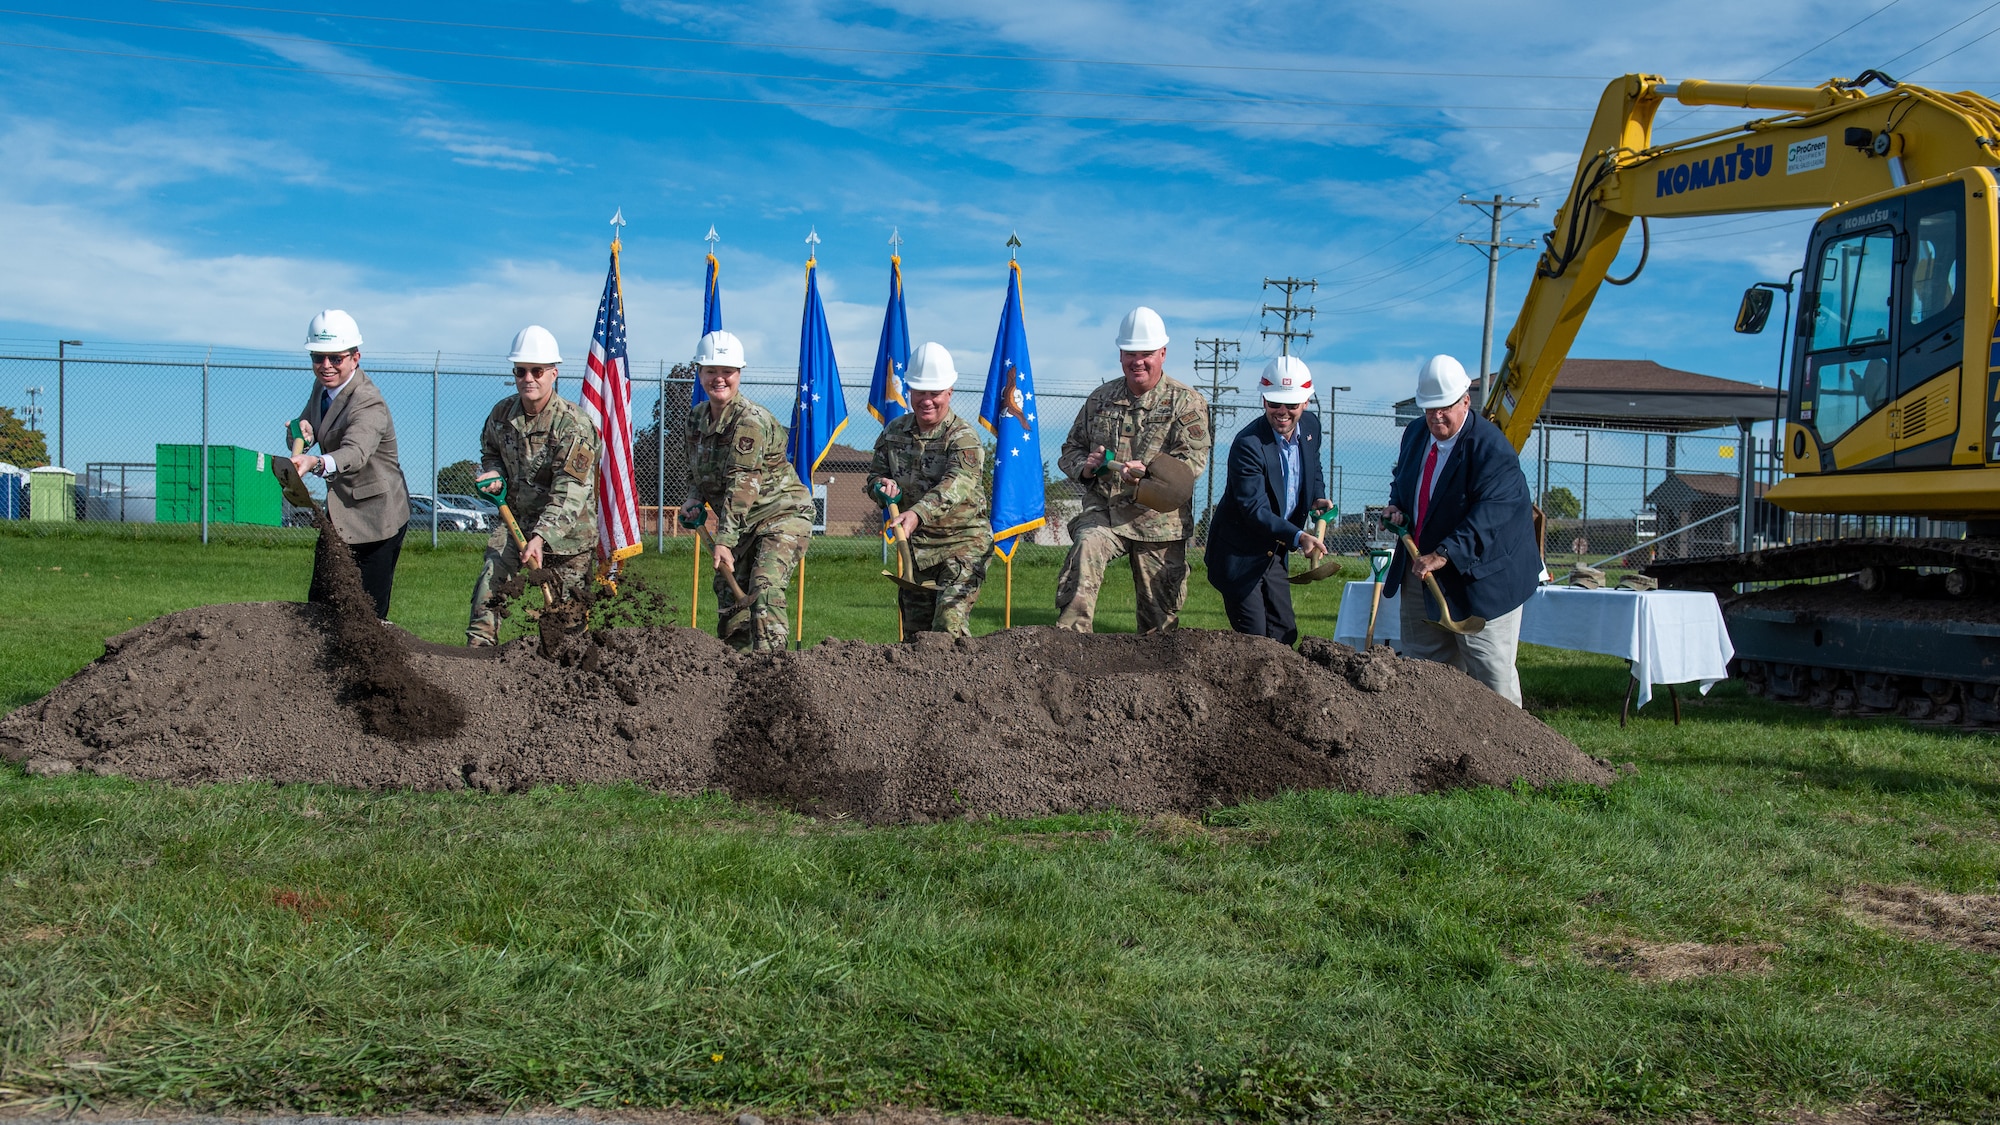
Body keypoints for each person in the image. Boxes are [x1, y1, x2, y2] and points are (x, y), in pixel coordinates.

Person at [1382, 354, 1540, 706]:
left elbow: (1492, 514)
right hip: (1421, 571)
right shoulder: (1415, 434)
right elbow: (1404, 480)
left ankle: (1509, 751)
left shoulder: (1492, 448)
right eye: (1428, 408)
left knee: (1491, 675)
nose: (1436, 416)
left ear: (1466, 401)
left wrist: (1444, 554)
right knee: (1422, 669)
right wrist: (1397, 506)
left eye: (1445, 407)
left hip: (1483, 578)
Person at [1054, 306, 1211, 633]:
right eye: (1129, 353)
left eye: (1146, 354)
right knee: (1086, 545)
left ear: (1163, 354)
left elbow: (1192, 463)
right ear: (1120, 355)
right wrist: (1087, 466)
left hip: (1159, 522)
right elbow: (1070, 450)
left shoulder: (1186, 402)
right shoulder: (1101, 399)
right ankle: (1069, 644)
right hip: (1106, 512)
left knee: (1159, 625)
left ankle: (1157, 674)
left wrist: (1150, 472)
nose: (1137, 361)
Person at [676, 330, 814, 653]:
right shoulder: (695, 419)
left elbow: (742, 484)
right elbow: (695, 469)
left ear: (739, 374)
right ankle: (732, 672)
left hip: (781, 515)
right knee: (729, 596)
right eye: (711, 371)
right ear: (699, 372)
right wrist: (694, 497)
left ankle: (774, 673)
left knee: (763, 586)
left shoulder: (750, 422)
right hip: (742, 523)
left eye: (727, 372)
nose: (719, 379)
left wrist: (723, 540)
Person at [465, 326, 601, 646]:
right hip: (516, 524)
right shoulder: (501, 415)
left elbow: (571, 490)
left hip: (568, 538)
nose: (529, 378)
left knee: (567, 627)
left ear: (553, 373)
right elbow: (491, 452)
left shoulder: (573, 424)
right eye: (521, 370)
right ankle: (475, 663)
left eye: (537, 371)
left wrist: (541, 537)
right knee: (489, 585)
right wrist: (494, 473)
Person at [291, 309, 410, 621]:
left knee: (367, 615)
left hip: (377, 516)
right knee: (321, 601)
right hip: (341, 512)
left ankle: (377, 670)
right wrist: (302, 434)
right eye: (318, 357)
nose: (326, 366)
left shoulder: (368, 402)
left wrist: (315, 461)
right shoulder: (322, 388)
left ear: (355, 357)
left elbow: (355, 452)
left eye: (336, 358)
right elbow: (310, 424)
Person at [866, 341, 992, 637]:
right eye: (919, 392)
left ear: (949, 392)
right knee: (916, 637)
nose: (927, 400)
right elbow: (875, 477)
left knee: (948, 626)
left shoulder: (963, 438)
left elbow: (955, 486)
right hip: (918, 553)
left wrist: (916, 514)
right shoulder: (894, 432)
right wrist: (881, 487)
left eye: (935, 393)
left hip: (963, 544)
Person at [1204, 356, 1331, 645]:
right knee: (1255, 639)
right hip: (1239, 554)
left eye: (1291, 405)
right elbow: (1254, 510)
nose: (1282, 412)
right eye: (1274, 403)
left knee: (1284, 633)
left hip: (1272, 550)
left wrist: (1316, 495)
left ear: (1306, 402)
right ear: (1263, 401)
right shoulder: (1248, 444)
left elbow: (1313, 464)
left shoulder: (1311, 428)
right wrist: (1299, 537)